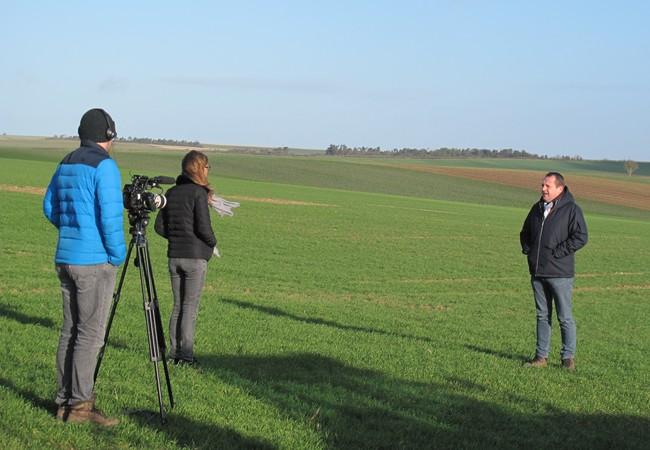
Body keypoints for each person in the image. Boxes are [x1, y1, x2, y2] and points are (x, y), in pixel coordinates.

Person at [43, 108, 126, 425]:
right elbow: (110, 217)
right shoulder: (104, 167)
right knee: (90, 335)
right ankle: (80, 407)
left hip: (65, 256)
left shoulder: (66, 161)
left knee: (70, 331)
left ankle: (64, 402)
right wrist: (116, 254)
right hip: (93, 261)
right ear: (107, 136)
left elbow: (49, 206)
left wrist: (71, 230)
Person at [520, 172, 588, 371]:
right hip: (538, 272)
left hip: (560, 274)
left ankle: (567, 358)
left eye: (547, 186)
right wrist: (528, 250)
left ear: (560, 188)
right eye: (542, 185)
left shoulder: (572, 210)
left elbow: (581, 236)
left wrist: (557, 253)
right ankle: (541, 357)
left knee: (564, 317)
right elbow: (525, 232)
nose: (543, 189)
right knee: (542, 315)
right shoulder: (536, 208)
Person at [154, 150, 217, 366]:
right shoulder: (198, 194)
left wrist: (177, 237)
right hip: (195, 258)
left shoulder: (171, 193)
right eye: (207, 166)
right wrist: (212, 244)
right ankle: (187, 356)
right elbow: (204, 228)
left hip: (174, 256)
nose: (208, 170)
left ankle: (174, 352)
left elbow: (159, 227)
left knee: (178, 306)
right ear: (199, 168)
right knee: (190, 307)